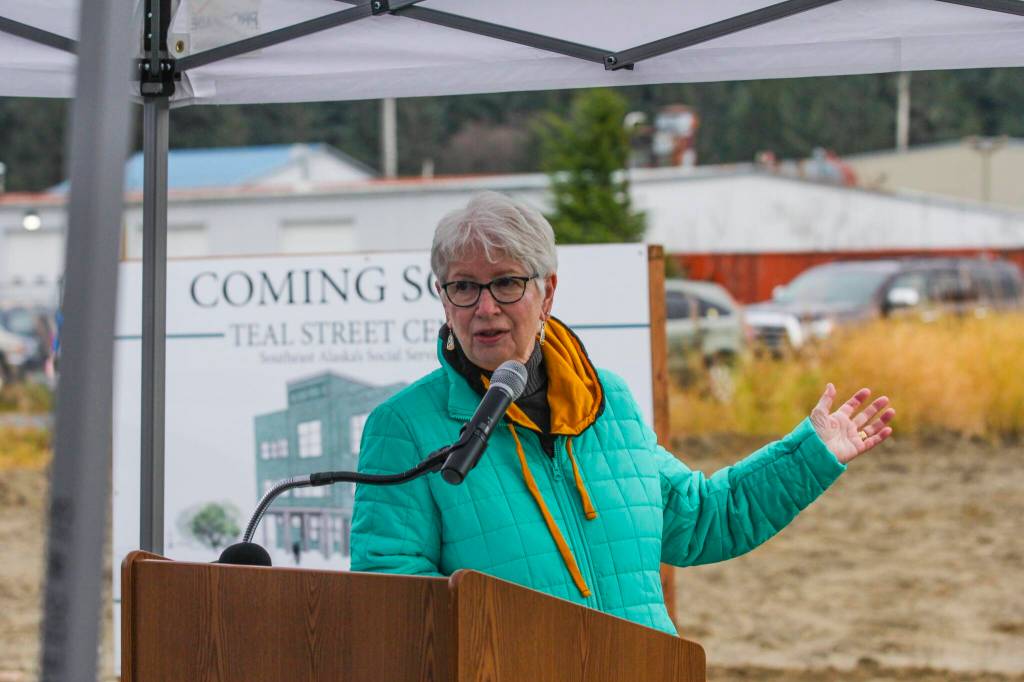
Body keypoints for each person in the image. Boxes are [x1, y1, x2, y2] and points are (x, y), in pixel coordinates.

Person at [350, 191, 894, 635]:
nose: (485, 307)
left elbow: (703, 520)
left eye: (507, 283)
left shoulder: (608, 402)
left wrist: (809, 455)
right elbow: (398, 612)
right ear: (444, 299)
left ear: (547, 293)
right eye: (464, 287)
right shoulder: (405, 428)